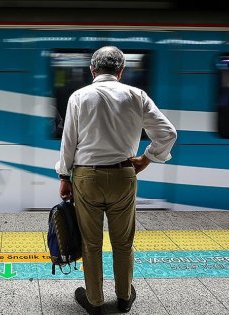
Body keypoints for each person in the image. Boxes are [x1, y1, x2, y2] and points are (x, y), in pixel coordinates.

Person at [56, 46, 177, 314]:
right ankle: (124, 297)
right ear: (121, 71)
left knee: (91, 243)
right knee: (123, 242)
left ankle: (95, 301)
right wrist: (146, 158)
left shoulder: (79, 96)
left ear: (92, 70)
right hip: (124, 174)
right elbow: (168, 133)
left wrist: (64, 176)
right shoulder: (137, 96)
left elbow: (69, 142)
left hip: (86, 177)